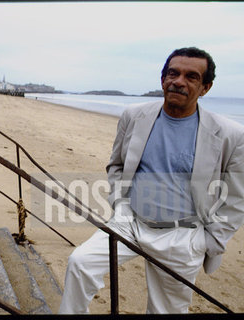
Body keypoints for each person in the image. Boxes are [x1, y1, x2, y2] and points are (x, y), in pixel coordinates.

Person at [59, 47, 244, 314]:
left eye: (191, 77)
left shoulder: (231, 135)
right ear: (162, 79)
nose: (179, 81)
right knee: (80, 263)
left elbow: (237, 198)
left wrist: (210, 240)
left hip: (183, 236)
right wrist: (119, 204)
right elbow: (117, 165)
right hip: (129, 223)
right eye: (173, 73)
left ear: (205, 87)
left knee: (165, 310)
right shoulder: (135, 115)